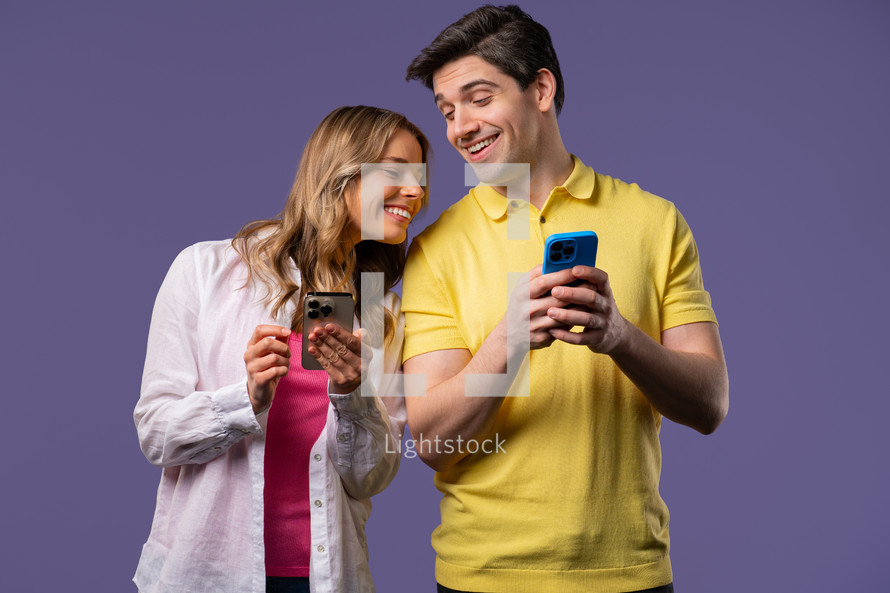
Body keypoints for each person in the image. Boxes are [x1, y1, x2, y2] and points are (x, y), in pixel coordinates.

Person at [401, 5, 729, 593]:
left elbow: (710, 404)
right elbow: (430, 441)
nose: (459, 127)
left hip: (630, 575)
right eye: (447, 111)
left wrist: (622, 339)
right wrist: (509, 341)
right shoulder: (434, 249)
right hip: (482, 577)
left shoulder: (654, 221)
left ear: (542, 88)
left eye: (479, 98)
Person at [133, 105, 429, 593]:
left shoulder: (381, 309)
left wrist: (352, 393)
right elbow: (156, 434)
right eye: (396, 171)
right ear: (340, 171)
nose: (417, 192)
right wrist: (245, 400)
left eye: (420, 177)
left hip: (327, 578)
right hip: (208, 576)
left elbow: (369, 478)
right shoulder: (206, 271)